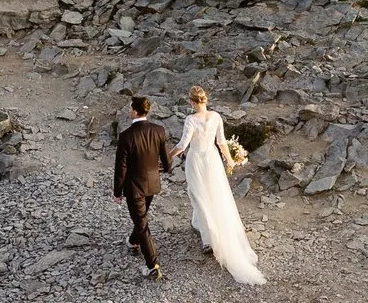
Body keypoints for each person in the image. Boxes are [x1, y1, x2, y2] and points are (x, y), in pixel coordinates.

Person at [174, 86, 265, 285]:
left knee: (198, 195)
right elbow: (222, 142)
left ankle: (208, 240)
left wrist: (165, 156)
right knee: (216, 194)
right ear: (205, 100)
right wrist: (230, 161)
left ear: (191, 101)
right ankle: (200, 224)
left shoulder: (191, 120)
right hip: (213, 160)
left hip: (196, 160)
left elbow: (182, 145)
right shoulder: (215, 117)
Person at [112, 95, 176, 280]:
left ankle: (152, 265)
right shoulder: (159, 130)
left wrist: (118, 192)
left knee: (142, 223)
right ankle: (133, 242)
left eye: (129, 108)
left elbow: (121, 167)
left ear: (134, 111)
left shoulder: (126, 136)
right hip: (153, 184)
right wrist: (162, 169)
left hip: (134, 187)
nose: (128, 110)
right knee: (141, 217)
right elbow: (166, 161)